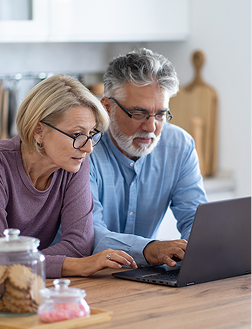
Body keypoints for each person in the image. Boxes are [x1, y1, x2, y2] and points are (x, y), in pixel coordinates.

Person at [0, 74, 137, 289]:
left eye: (91, 134)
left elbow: (79, 245)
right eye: (77, 134)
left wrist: (14, 266)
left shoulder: (74, 162)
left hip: (8, 284)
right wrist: (74, 265)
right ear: (39, 131)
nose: (88, 147)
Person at [89, 48, 208, 268]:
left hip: (142, 279)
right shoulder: (83, 148)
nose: (151, 127)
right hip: (86, 278)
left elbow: (196, 220)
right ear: (106, 107)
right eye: (138, 113)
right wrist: (149, 249)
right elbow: (89, 234)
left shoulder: (179, 146)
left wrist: (195, 252)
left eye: (161, 114)